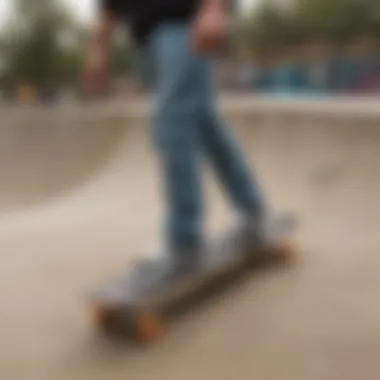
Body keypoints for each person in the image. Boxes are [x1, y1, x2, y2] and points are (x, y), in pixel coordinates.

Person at [84, 0, 265, 291]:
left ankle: (184, 240)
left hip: (185, 25)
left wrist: (215, 8)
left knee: (171, 124)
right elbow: (108, 8)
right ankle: (252, 206)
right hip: (146, 43)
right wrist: (97, 53)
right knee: (204, 124)